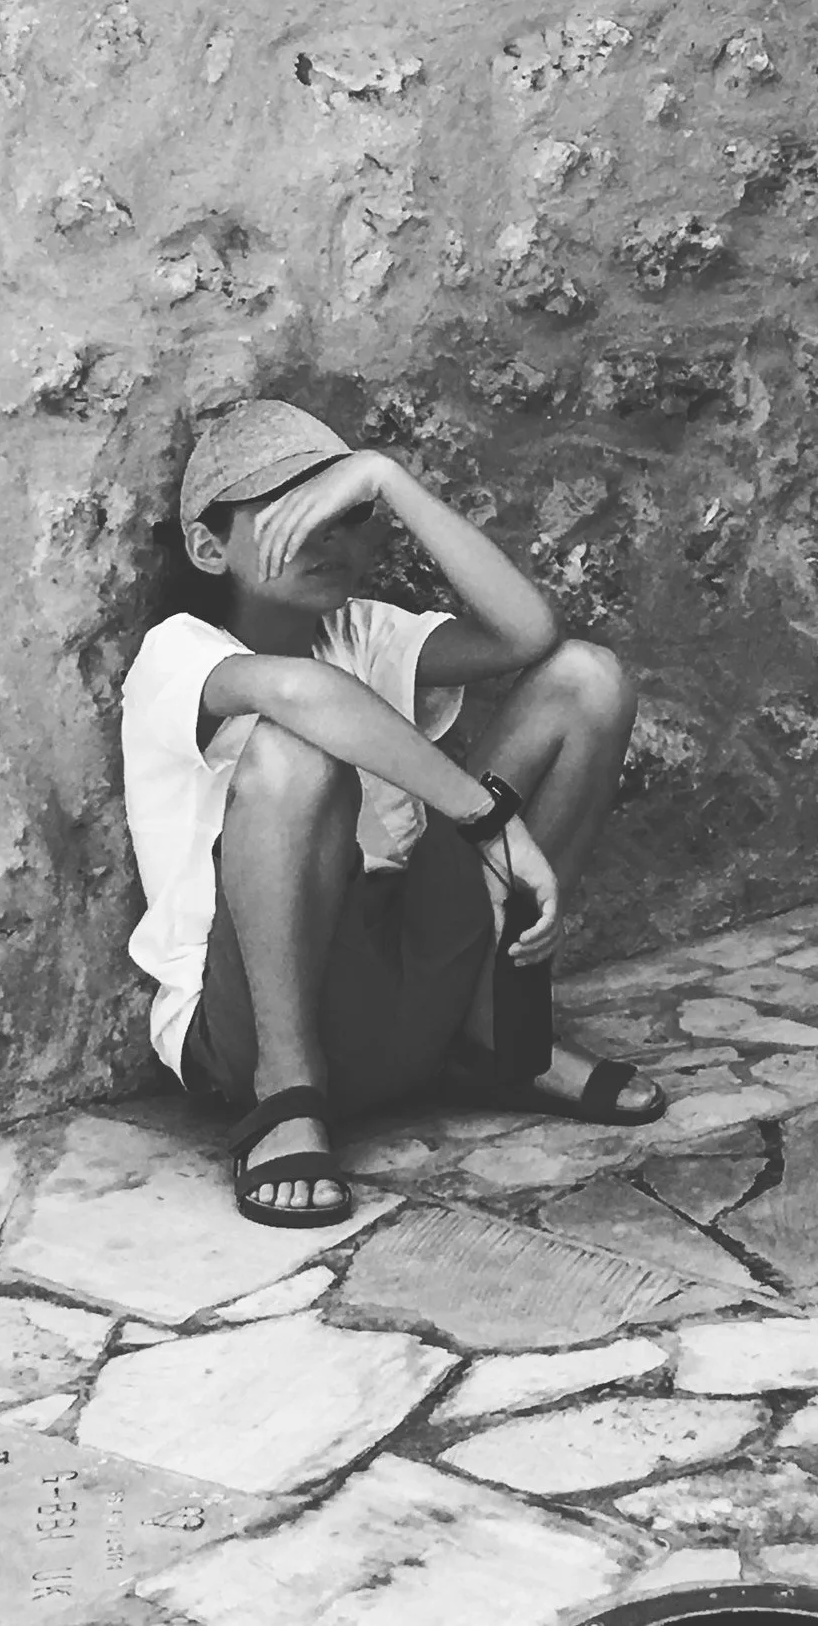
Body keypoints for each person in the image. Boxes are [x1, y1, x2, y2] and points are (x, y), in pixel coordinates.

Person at [120, 397, 666, 1228]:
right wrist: (489, 821)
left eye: (344, 517)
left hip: (411, 976)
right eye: (291, 516)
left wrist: (388, 478)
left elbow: (530, 634)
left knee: (588, 679)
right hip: (257, 1019)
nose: (327, 539)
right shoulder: (180, 654)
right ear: (206, 544)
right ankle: (289, 1093)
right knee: (294, 747)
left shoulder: (360, 631)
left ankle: (496, 1033)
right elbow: (303, 695)